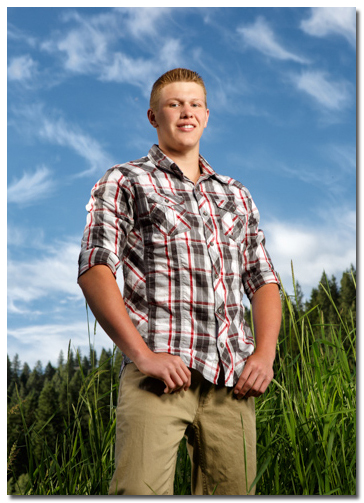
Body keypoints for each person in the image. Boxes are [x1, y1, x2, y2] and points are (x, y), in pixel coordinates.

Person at [77, 68, 281, 496]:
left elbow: (262, 279)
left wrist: (263, 354)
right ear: (154, 116)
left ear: (206, 115)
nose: (185, 112)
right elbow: (96, 267)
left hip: (232, 383)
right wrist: (142, 354)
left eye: (193, 104)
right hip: (159, 378)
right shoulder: (126, 180)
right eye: (173, 104)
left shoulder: (235, 194)